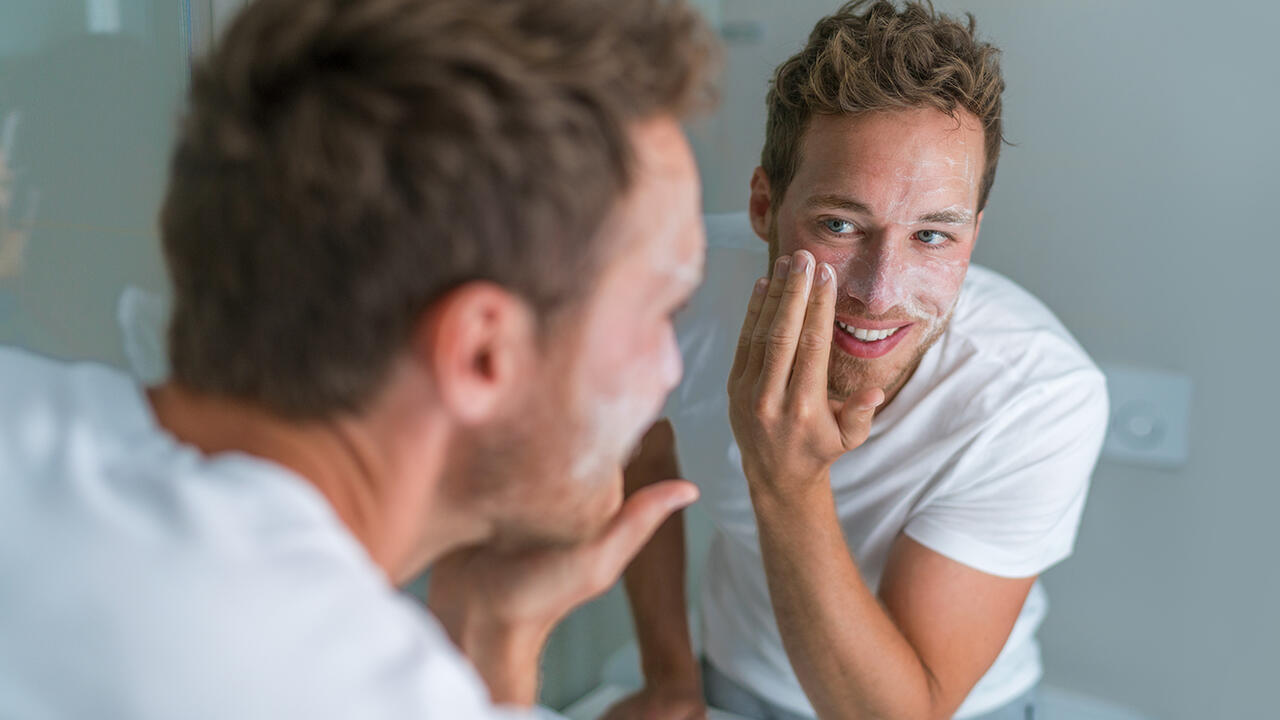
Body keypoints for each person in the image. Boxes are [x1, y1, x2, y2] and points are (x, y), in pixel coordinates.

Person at [0, 0, 717, 717]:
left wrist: (494, 630)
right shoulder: (344, 690)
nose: (671, 369)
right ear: (480, 353)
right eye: (661, 311)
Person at [607, 2, 1108, 719]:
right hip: (732, 680)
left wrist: (786, 479)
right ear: (762, 205)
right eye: (840, 225)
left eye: (933, 236)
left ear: (974, 232)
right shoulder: (675, 291)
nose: (880, 293)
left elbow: (904, 711)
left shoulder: (1037, 396)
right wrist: (669, 676)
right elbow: (643, 462)